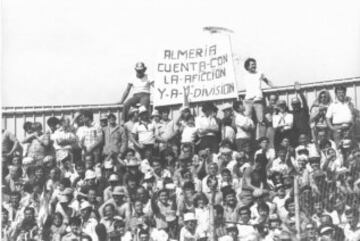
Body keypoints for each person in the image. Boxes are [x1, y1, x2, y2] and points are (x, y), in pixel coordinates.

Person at [242, 58, 274, 139]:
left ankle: (261, 138)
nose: (254, 66)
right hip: (248, 100)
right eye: (252, 64)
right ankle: (248, 137)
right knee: (247, 119)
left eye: (255, 64)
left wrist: (273, 87)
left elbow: (267, 81)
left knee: (261, 120)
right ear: (247, 66)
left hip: (258, 99)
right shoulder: (244, 75)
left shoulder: (259, 73)